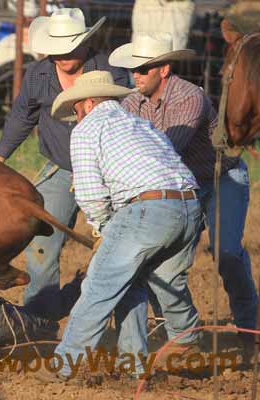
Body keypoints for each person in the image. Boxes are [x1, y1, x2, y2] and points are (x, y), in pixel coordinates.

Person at [35, 71, 202, 382]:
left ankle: (65, 363)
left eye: (75, 109)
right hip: (189, 205)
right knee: (161, 283)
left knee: (99, 285)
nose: (76, 116)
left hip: (145, 209)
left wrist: (102, 228)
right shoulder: (142, 125)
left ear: (87, 103)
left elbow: (89, 192)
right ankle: (180, 348)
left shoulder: (87, 130)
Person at [109, 33, 258, 354]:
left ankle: (251, 327)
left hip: (220, 178)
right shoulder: (130, 103)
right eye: (133, 69)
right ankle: (182, 335)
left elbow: (167, 147)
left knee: (227, 252)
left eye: (143, 69)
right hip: (179, 188)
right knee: (163, 263)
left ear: (164, 70)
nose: (135, 75)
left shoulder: (190, 96)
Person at [0, 8, 129, 306]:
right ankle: (40, 315)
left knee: (120, 242)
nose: (63, 56)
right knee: (41, 240)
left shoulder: (110, 70)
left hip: (111, 172)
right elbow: (21, 117)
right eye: (57, 50)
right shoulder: (38, 75)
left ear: (86, 42)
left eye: (70, 48)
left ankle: (118, 311)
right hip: (62, 168)